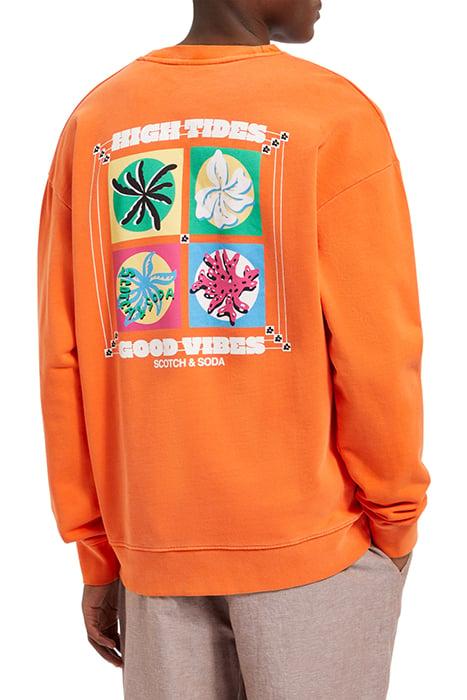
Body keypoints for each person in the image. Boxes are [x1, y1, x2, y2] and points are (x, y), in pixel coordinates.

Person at [37, 0, 431, 697]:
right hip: (314, 553)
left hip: (153, 550)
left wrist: (97, 551)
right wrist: (395, 522)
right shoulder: (332, 114)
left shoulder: (96, 121)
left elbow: (62, 356)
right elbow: (377, 352)